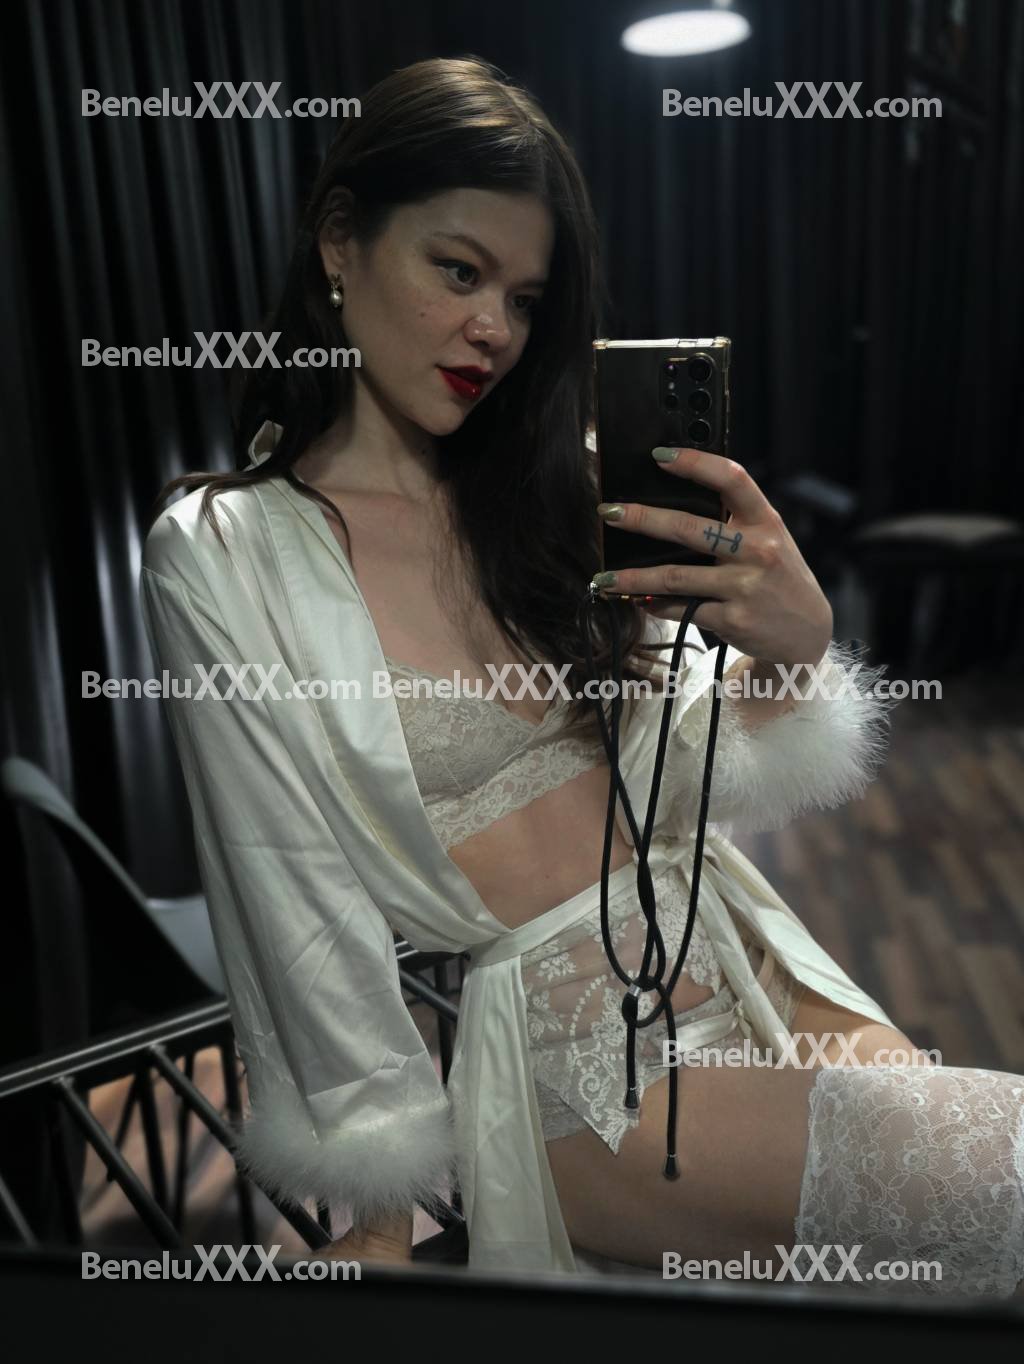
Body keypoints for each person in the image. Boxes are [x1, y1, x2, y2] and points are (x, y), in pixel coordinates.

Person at [140, 56, 1024, 1295]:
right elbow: (281, 876)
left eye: (523, 297)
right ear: (340, 241)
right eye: (458, 271)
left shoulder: (545, 497)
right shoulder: (227, 551)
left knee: (946, 1283)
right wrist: (379, 1210)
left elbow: (690, 762)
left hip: (750, 953)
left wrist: (793, 643)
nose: (493, 330)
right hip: (586, 1074)